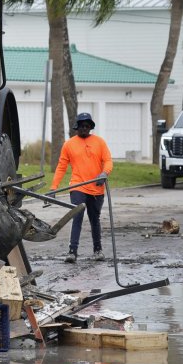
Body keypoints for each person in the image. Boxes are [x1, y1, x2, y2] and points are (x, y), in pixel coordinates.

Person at [51, 112, 114, 263]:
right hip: (78, 186)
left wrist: (104, 173)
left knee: (94, 219)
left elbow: (108, 161)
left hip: (96, 188)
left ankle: (97, 250)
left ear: (91, 127)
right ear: (76, 127)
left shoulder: (100, 142)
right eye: (81, 126)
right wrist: (54, 187)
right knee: (77, 216)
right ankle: (72, 252)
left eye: (87, 126)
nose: (84, 128)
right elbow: (61, 167)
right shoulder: (69, 144)